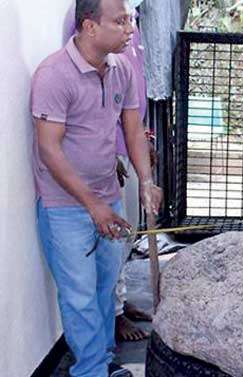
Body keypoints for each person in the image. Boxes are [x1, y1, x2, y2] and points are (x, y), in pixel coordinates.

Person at [31, 0, 162, 375]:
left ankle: (103, 364)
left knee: (105, 291)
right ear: (89, 26)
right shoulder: (53, 75)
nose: (130, 29)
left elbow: (133, 129)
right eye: (120, 21)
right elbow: (48, 149)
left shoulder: (122, 69)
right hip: (65, 207)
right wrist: (92, 205)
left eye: (131, 20)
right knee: (80, 297)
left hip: (107, 198)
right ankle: (90, 371)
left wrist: (146, 182)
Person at [63, 0, 152, 343]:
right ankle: (111, 319)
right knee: (110, 240)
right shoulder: (93, 18)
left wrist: (144, 142)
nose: (127, 26)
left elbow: (132, 101)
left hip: (129, 143)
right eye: (122, 21)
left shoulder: (129, 22)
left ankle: (118, 305)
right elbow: (91, 99)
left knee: (121, 238)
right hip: (107, 156)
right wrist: (112, 152)